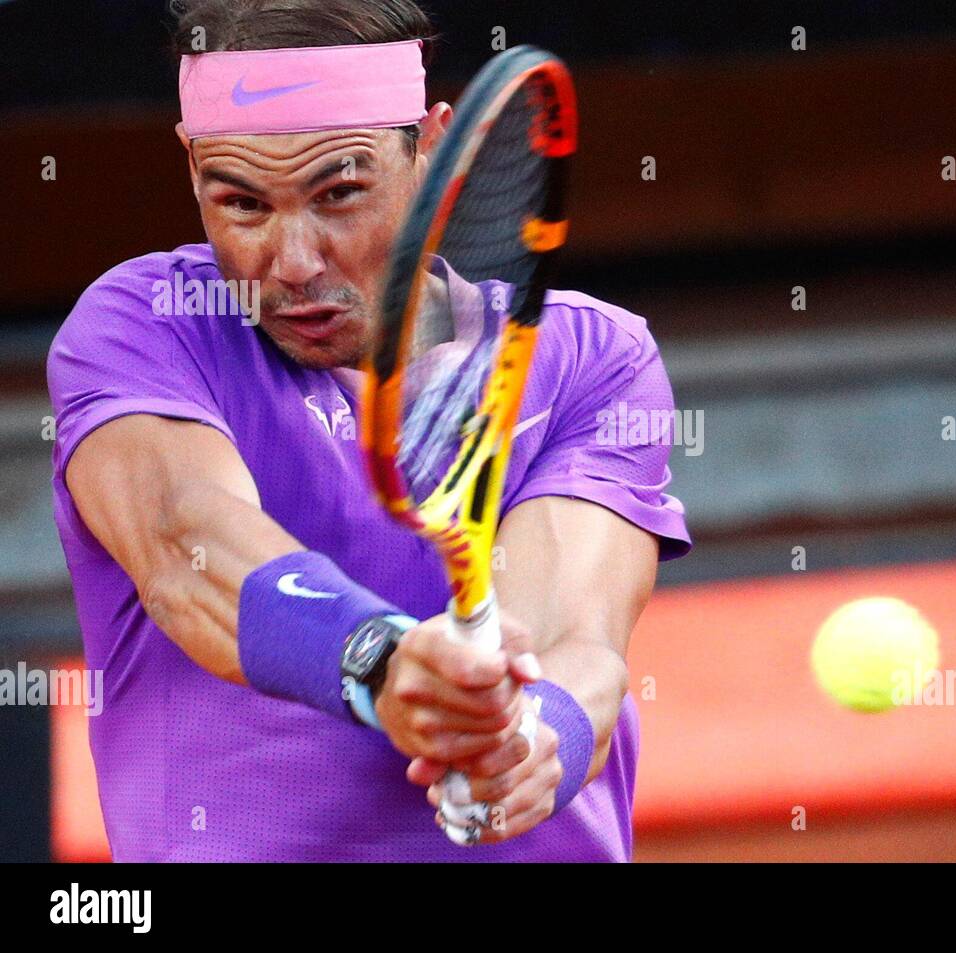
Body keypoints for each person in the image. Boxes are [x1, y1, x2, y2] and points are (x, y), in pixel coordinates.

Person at [46, 0, 689, 861]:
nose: (295, 260)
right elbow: (185, 545)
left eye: (339, 193)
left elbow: (579, 638)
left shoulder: (591, 356)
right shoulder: (143, 327)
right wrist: (378, 665)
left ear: (429, 150)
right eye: (241, 204)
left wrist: (532, 738)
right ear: (191, 162)